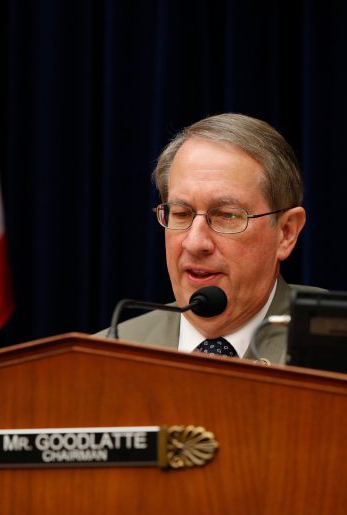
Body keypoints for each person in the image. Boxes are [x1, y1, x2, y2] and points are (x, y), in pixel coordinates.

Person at [101, 113, 322, 364]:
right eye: (182, 214)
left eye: (226, 216)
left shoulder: (332, 351)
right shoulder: (102, 358)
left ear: (286, 232)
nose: (194, 243)